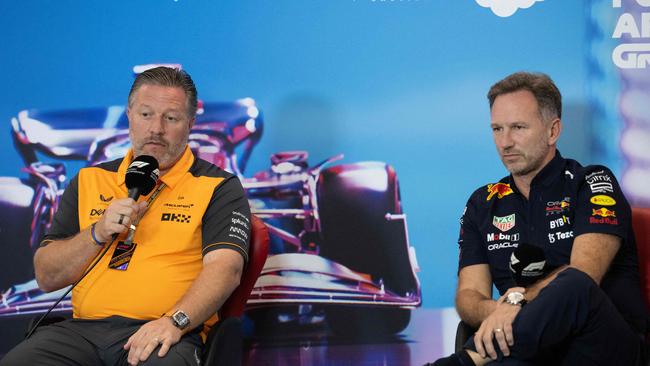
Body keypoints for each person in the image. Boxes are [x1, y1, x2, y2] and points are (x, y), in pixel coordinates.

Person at [0, 66, 251, 366]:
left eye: (170, 118)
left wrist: (174, 322)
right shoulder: (89, 179)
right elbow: (47, 276)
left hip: (165, 332)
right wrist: (98, 231)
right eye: (146, 114)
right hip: (82, 333)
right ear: (129, 116)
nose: (156, 128)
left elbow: (225, 270)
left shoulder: (218, 186)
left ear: (190, 124)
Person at [431, 72, 648, 365]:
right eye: (497, 129)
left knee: (574, 283)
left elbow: (584, 275)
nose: (505, 142)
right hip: (527, 350)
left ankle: (464, 363)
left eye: (518, 127)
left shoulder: (594, 182)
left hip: (602, 348)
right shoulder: (483, 203)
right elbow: (469, 295)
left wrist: (515, 302)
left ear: (552, 131)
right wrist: (498, 313)